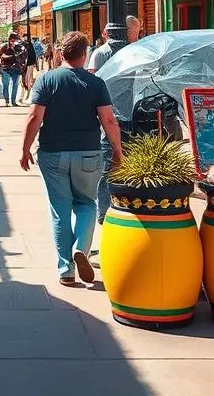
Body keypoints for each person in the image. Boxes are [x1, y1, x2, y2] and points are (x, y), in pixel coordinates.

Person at [20, 30, 123, 286]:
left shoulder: (48, 80)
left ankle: (66, 269)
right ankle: (82, 248)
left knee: (60, 209)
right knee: (87, 204)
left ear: (60, 53)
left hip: (53, 153)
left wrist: (24, 149)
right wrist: (118, 150)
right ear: (85, 53)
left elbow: (34, 117)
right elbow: (108, 120)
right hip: (88, 152)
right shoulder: (95, 83)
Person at [90, 16, 141, 236]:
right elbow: (92, 79)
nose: (136, 35)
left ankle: (122, 203)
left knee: (123, 161)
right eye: (134, 31)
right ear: (124, 31)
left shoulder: (134, 51)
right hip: (111, 115)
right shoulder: (102, 53)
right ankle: (104, 210)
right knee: (108, 163)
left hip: (128, 113)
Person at [0, 32, 24, 106]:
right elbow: (2, 56)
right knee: (6, 85)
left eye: (15, 41)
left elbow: (22, 56)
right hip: (5, 68)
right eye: (12, 41)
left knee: (15, 85)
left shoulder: (18, 47)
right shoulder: (4, 47)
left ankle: (13, 101)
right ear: (9, 40)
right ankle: (7, 101)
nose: (14, 42)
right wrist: (12, 56)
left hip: (16, 68)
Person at [20, 32, 38, 102]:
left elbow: (33, 56)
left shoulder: (29, 45)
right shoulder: (22, 44)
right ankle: (23, 95)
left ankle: (26, 95)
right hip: (23, 66)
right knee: (22, 82)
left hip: (29, 65)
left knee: (27, 81)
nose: (25, 38)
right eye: (25, 37)